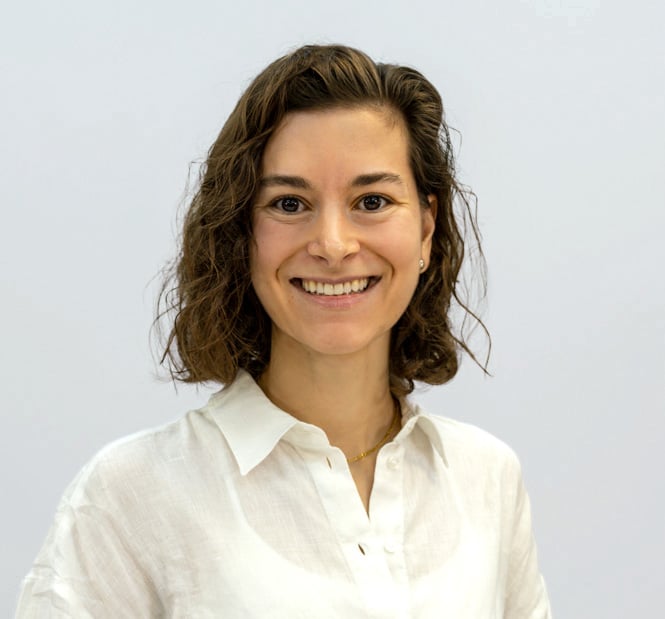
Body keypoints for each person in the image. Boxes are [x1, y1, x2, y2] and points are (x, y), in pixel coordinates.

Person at [17, 44, 552, 617]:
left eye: (372, 201)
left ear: (426, 229)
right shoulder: (132, 496)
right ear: (241, 233)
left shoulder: (487, 477)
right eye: (290, 204)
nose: (333, 245)